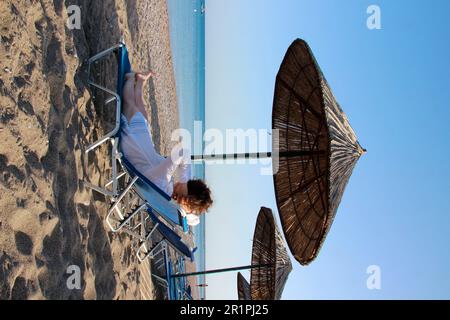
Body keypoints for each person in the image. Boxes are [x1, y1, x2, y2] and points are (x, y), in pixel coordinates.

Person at [120, 71, 212, 225]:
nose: (182, 182)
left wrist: (184, 179)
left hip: (130, 142)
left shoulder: (162, 180)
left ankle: (130, 79)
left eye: (185, 185)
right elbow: (194, 220)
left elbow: (183, 151)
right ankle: (141, 82)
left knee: (130, 104)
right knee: (143, 116)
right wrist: (186, 191)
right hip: (143, 150)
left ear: (185, 196)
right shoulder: (170, 200)